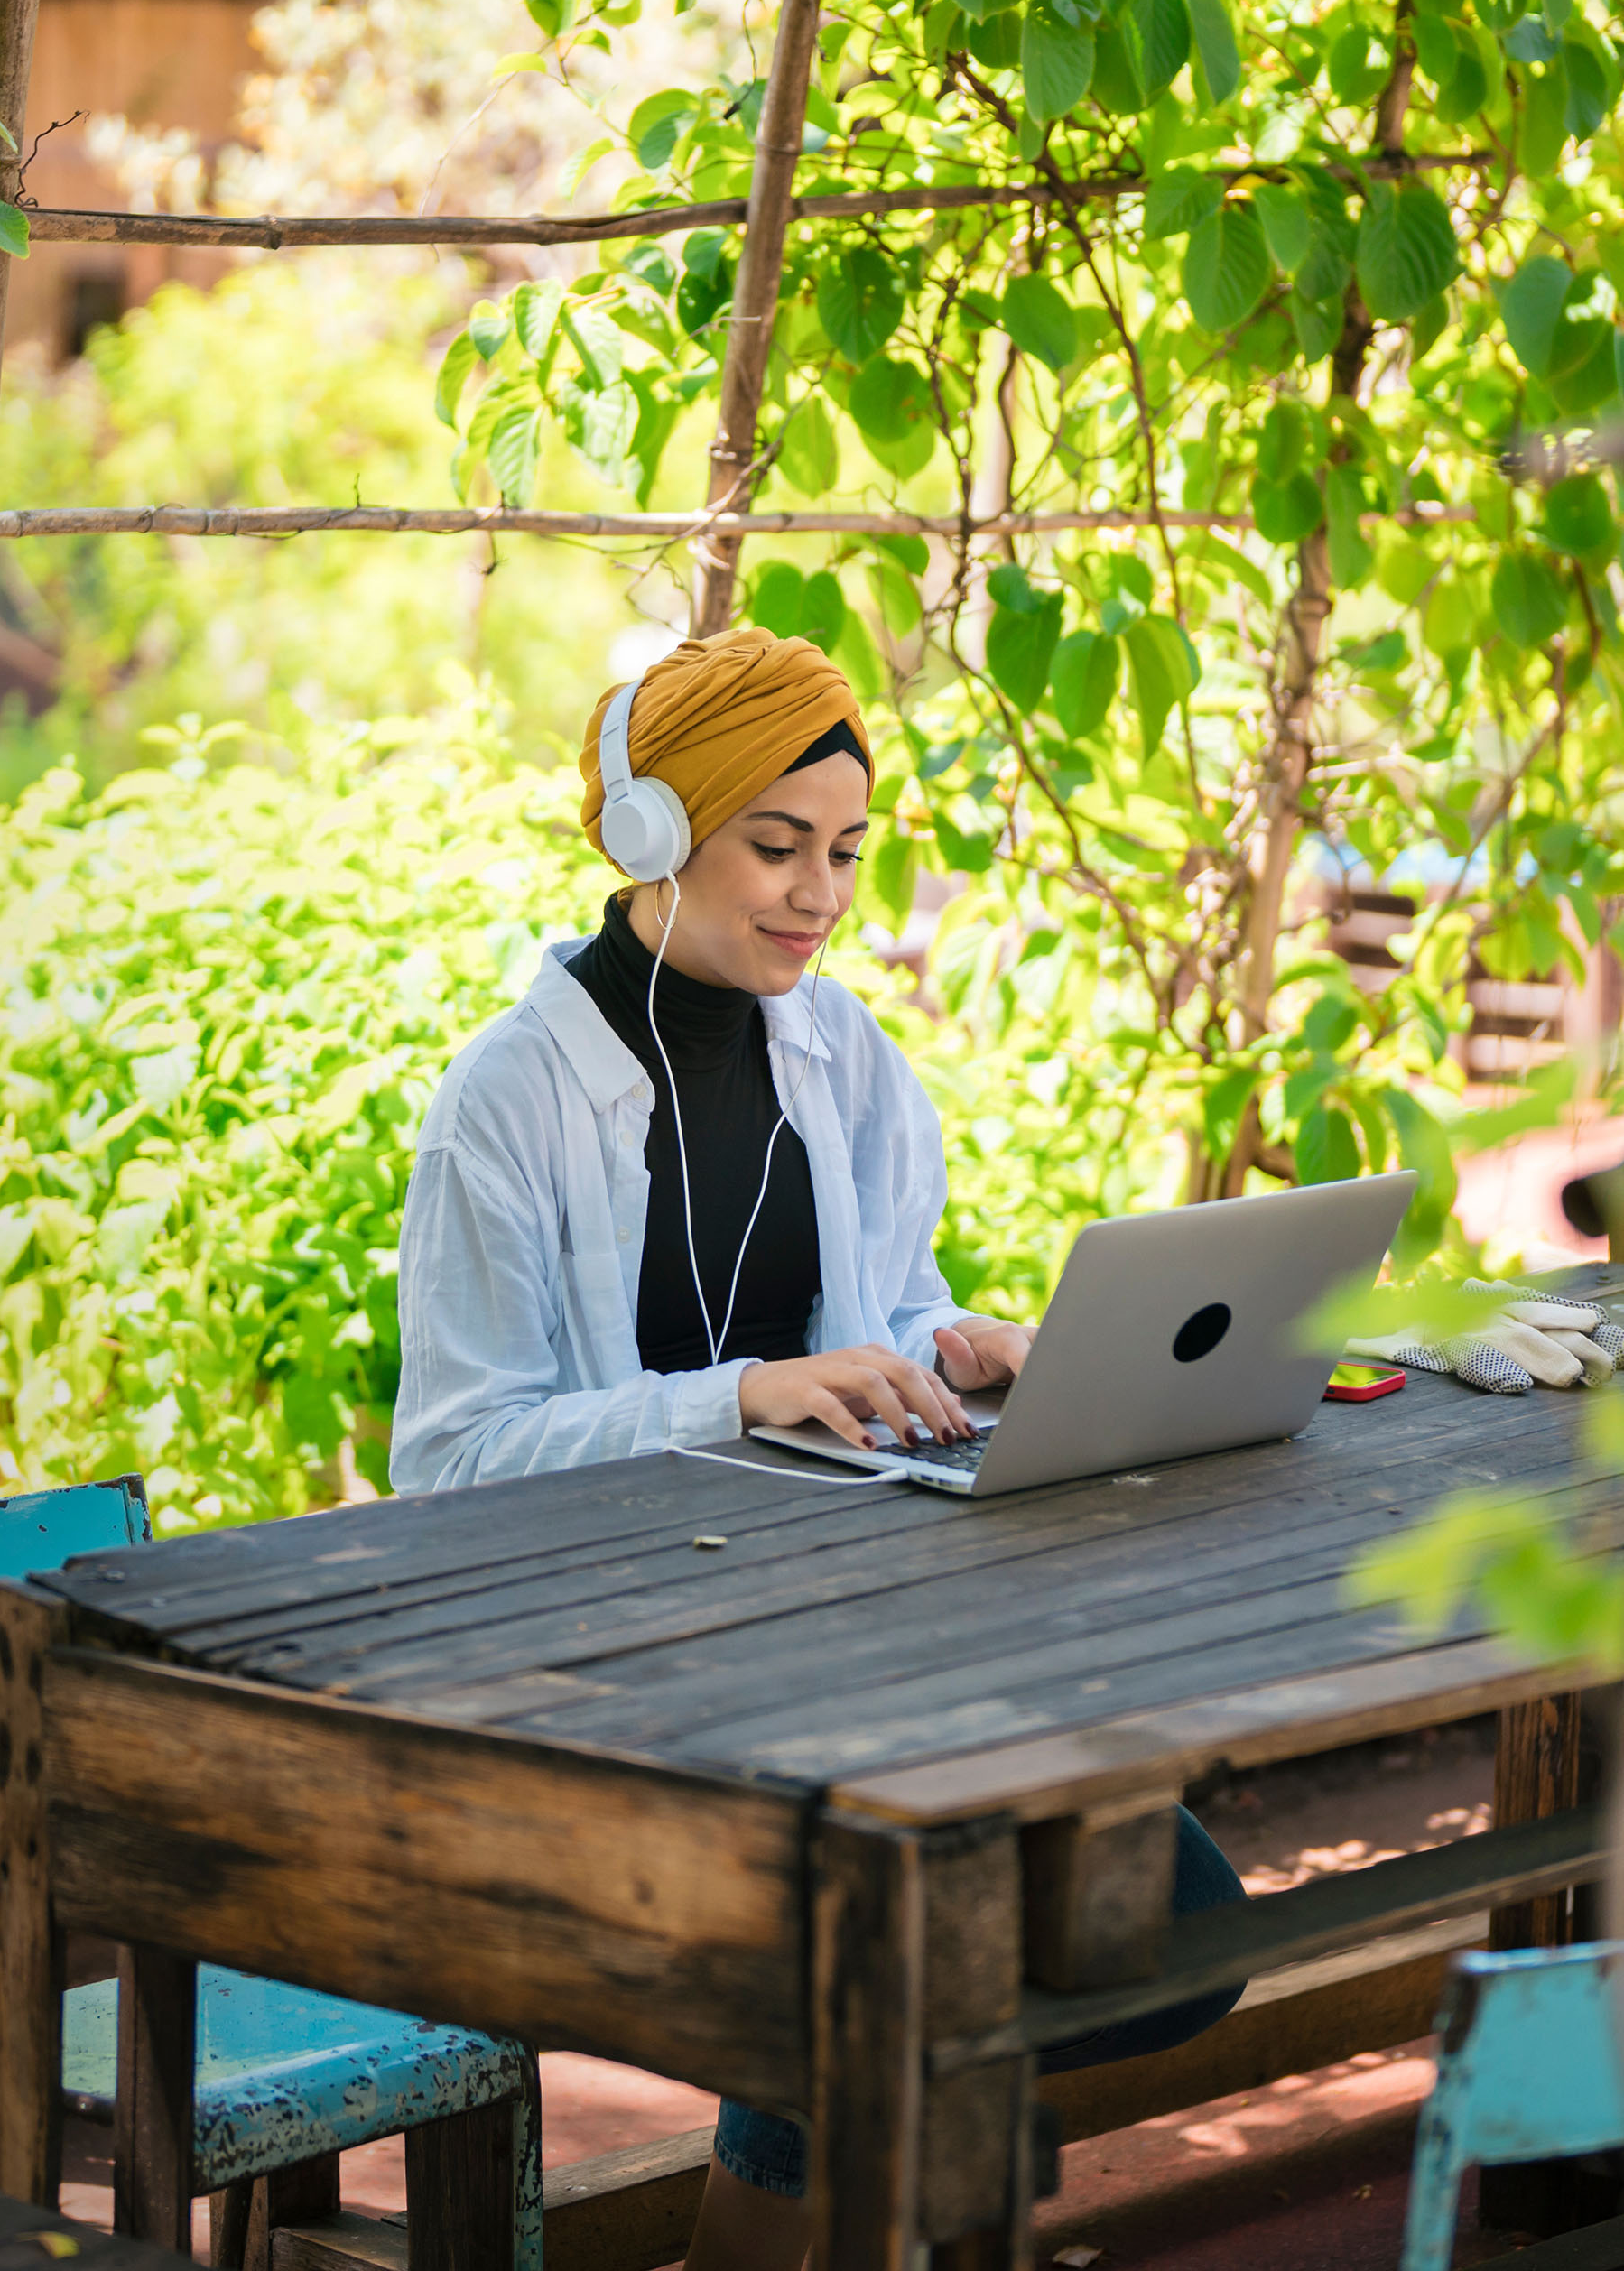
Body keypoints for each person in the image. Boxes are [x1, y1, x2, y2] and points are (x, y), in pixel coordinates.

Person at [390, 626, 1245, 2264]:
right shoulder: (505, 1100)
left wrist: (954, 1342)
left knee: (1176, 1936)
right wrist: (744, 1391)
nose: (819, 894)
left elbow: (880, 1308)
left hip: (834, 1624)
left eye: (844, 851)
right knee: (888, 1920)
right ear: (652, 833)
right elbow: (452, 1459)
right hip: (605, 1662)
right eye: (774, 845)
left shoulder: (842, 1055)